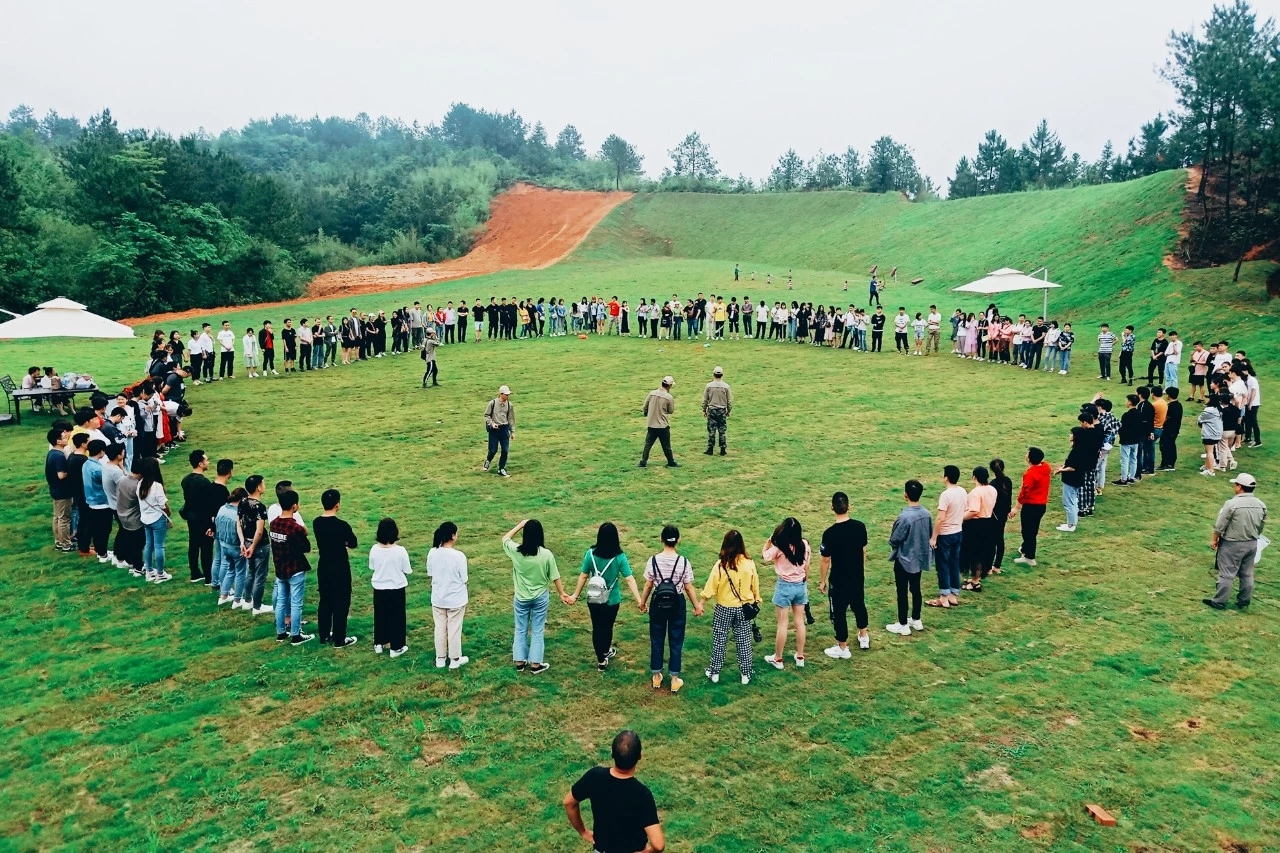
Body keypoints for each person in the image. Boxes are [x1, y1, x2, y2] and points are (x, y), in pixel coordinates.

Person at [563, 730, 665, 853]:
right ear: (640, 756)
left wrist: (583, 832)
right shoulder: (642, 794)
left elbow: (569, 802)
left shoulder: (595, 776)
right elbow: (658, 845)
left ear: (612, 753)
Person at [568, 522, 642, 671]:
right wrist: (640, 600)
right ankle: (606, 651)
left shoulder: (590, 554)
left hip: (593, 598)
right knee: (607, 627)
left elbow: (583, 576)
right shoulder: (619, 557)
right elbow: (629, 578)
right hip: (612, 599)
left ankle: (601, 660)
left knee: (597, 627)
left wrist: (575, 595)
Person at [639, 524, 701, 693]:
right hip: (677, 604)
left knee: (657, 638)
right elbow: (688, 587)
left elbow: (648, 584)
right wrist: (697, 606)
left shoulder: (653, 560)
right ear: (678, 540)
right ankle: (674, 679)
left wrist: (643, 602)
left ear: (661, 539)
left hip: (658, 604)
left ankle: (657, 676)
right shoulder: (683, 562)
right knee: (676, 639)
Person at [503, 519, 568, 674]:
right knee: (537, 630)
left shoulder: (516, 551)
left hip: (521, 597)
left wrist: (520, 525)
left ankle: (520, 662)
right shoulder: (546, 554)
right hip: (540, 597)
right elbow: (555, 576)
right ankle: (535, 665)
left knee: (520, 628)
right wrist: (562, 593)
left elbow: (505, 538)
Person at [701, 529, 760, 684]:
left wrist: (701, 603)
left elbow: (711, 585)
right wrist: (756, 598)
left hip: (724, 608)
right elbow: (755, 584)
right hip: (744, 607)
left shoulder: (721, 565)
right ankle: (746, 674)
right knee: (744, 640)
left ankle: (714, 672)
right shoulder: (749, 563)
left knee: (720, 639)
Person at [1205, 473, 1267, 611]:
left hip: (1232, 544)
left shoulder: (1232, 504)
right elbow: (1261, 525)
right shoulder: (1261, 504)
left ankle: (1219, 602)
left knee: (1227, 573)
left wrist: (1214, 538)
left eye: (1235, 484)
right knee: (1247, 573)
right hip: (1251, 543)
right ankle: (1243, 600)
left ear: (1239, 487)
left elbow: (1220, 524)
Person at [818, 491, 870, 656]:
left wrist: (822, 580)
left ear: (831, 508)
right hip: (856, 576)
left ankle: (842, 647)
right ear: (849, 506)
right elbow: (863, 551)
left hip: (839, 580)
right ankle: (864, 636)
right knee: (859, 605)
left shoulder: (829, 534)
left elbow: (825, 560)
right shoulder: (860, 527)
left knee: (839, 612)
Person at [762, 517, 811, 669]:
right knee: (799, 621)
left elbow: (765, 556)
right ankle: (800, 656)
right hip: (800, 585)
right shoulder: (804, 544)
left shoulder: (780, 547)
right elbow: (807, 566)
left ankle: (778, 658)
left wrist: (769, 541)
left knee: (783, 623)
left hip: (784, 587)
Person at [313, 488, 358, 648]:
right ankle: (339, 638)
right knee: (341, 602)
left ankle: (324, 634)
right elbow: (353, 542)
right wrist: (343, 542)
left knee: (325, 600)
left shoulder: (317, 522)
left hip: (324, 565)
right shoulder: (342, 526)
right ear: (337, 505)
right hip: (339, 567)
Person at [886, 479, 932, 636]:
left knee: (902, 591)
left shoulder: (904, 517)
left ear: (905, 495)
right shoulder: (926, 514)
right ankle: (916, 619)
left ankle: (903, 624)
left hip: (904, 559)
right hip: (919, 559)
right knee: (916, 588)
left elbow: (894, 539)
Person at [270, 489, 314, 646]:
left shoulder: (274, 523)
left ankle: (281, 632)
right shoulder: (295, 527)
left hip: (280, 568)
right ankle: (296, 635)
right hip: (295, 569)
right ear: (295, 506)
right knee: (296, 603)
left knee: (281, 601)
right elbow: (306, 547)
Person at [427, 521, 469, 669]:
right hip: (455, 599)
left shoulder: (432, 553)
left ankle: (440, 658)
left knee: (440, 628)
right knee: (454, 628)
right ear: (453, 535)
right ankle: (455, 659)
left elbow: (430, 573)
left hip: (438, 598)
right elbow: (464, 579)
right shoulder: (459, 556)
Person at [370, 517, 412, 657]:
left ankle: (379, 643)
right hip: (396, 588)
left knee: (380, 615)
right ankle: (396, 646)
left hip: (379, 588)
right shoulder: (400, 551)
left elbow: (372, 567)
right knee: (397, 617)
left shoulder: (374, 549)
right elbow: (407, 570)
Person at [927, 466, 966, 608]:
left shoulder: (946, 495)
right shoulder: (962, 491)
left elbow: (940, 519)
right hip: (958, 532)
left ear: (946, 478)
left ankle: (944, 597)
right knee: (954, 563)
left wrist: (934, 537)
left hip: (945, 534)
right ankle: (953, 595)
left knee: (942, 565)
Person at [1010, 447, 1051, 567]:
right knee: (1032, 530)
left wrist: (1017, 507)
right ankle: (1025, 548)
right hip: (1041, 505)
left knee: (1028, 532)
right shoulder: (1045, 467)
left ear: (1029, 458)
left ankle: (1029, 557)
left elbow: (1025, 492)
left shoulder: (1031, 474)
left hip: (1031, 506)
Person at [237, 475, 272, 614]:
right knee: (260, 575)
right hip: (259, 544)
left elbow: (238, 523)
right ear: (258, 487)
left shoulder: (243, 501)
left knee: (250, 572)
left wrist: (242, 542)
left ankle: (247, 601)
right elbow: (259, 531)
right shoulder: (259, 507)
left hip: (246, 541)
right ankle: (257, 606)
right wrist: (253, 546)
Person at [960, 466, 997, 591]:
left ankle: (975, 581)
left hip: (976, 525)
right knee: (983, 552)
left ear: (974, 477)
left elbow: (974, 511)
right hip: (989, 522)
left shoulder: (976, 492)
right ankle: (976, 577)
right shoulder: (992, 489)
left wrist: (960, 518)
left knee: (974, 553)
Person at [181, 450, 214, 585]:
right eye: (206, 460)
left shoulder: (186, 479)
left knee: (193, 545)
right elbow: (208, 504)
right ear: (200, 463)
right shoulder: (204, 482)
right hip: (203, 518)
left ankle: (195, 573)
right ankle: (208, 577)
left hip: (191, 517)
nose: (208, 462)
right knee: (206, 548)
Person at [137, 456, 173, 584]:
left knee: (149, 545)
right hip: (157, 519)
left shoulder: (140, 484)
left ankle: (149, 571)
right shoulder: (156, 486)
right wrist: (169, 513)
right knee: (159, 546)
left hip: (145, 519)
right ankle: (160, 573)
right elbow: (163, 505)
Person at [1056, 420, 1093, 532]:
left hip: (1072, 479)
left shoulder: (1077, 450)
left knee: (1068, 502)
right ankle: (1071, 523)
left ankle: (1071, 525)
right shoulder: (1081, 448)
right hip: (1076, 478)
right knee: (1072, 500)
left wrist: (1061, 470)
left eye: (1072, 434)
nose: (1070, 435)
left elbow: (1072, 467)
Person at [639, 376, 678, 468]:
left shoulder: (652, 393)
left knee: (648, 444)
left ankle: (643, 462)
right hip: (663, 426)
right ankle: (671, 462)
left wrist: (647, 414)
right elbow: (671, 411)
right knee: (666, 446)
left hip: (651, 424)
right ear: (669, 386)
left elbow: (645, 407)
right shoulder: (669, 397)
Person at [45, 427, 74, 552]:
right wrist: (71, 471)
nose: (66, 438)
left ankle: (58, 542)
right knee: (64, 518)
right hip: (62, 491)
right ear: (58, 441)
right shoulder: (59, 456)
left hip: (55, 489)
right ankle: (66, 544)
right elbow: (61, 475)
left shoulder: (52, 453)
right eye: (63, 437)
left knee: (57, 517)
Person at [702, 366, 731, 456]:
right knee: (722, 430)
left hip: (712, 410)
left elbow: (705, 400)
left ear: (714, 374)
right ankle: (723, 449)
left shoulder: (709, 386)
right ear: (722, 375)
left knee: (711, 430)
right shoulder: (726, 386)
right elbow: (729, 401)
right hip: (722, 410)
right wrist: (728, 410)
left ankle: (710, 449)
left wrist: (704, 409)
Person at [1158, 387, 1183, 471]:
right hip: (1175, 429)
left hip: (1168, 429)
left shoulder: (1169, 406)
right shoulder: (1179, 405)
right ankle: (1170, 463)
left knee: (1165, 445)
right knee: (1171, 445)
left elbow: (1165, 418)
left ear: (1169, 395)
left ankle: (1166, 464)